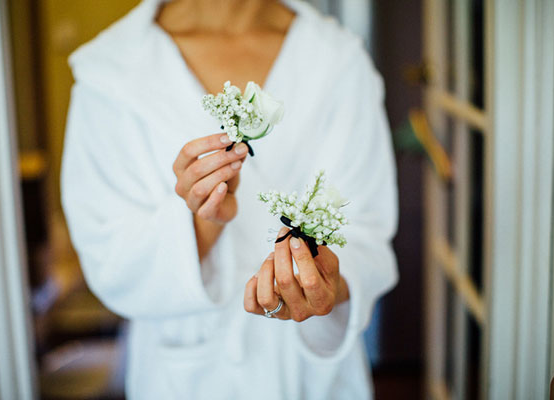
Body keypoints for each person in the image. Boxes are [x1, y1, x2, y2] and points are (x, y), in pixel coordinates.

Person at [61, 0, 398, 398]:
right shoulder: (109, 71)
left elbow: (367, 229)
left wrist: (326, 286)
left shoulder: (338, 59)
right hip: (187, 377)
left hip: (314, 376)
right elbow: (109, 258)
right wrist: (203, 222)